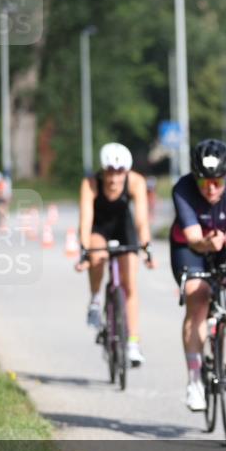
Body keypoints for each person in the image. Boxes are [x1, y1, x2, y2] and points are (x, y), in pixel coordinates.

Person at [170, 139, 226, 411]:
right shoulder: (183, 189)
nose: (210, 188)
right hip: (191, 247)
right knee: (197, 298)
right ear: (194, 178)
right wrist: (207, 243)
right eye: (204, 181)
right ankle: (194, 380)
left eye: (217, 182)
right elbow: (194, 239)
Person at [75, 142, 154, 367]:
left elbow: (141, 220)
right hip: (99, 226)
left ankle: (133, 344)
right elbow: (86, 220)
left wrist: (146, 247)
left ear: (126, 172)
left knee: (130, 284)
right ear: (103, 170)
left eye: (119, 172)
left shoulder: (136, 182)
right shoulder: (91, 183)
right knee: (97, 256)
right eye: (110, 172)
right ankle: (95, 299)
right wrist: (84, 251)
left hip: (123, 226)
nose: (114, 178)